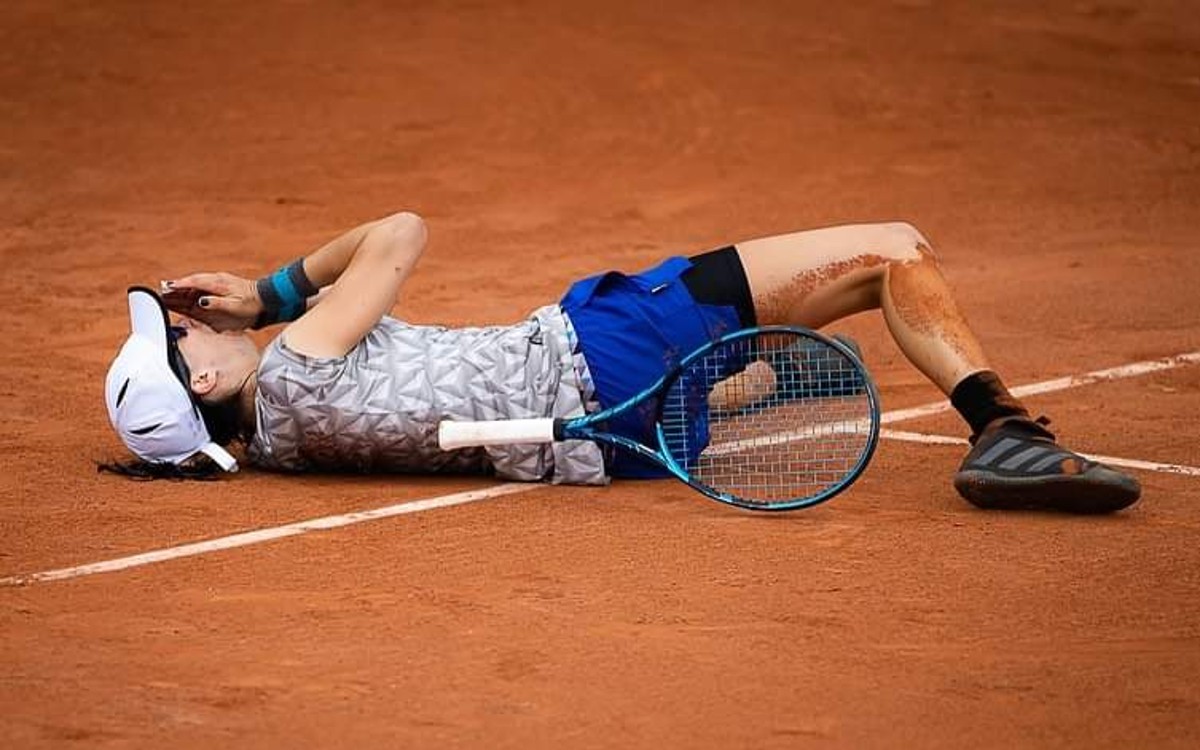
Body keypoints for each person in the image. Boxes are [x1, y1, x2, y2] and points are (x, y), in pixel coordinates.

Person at [102, 212, 1141, 513]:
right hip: (611, 346)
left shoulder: (283, 436)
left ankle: (773, 374)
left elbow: (373, 328)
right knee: (891, 254)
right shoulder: (287, 367)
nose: (196, 318)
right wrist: (269, 295)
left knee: (792, 358)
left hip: (620, 441)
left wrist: (297, 312)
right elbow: (401, 233)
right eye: (180, 334)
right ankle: (1005, 434)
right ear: (202, 382)